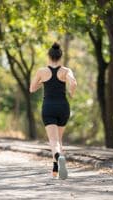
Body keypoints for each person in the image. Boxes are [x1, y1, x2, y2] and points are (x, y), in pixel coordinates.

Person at [29, 42, 77, 179]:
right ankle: (55, 168)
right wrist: (72, 93)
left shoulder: (41, 71)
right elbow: (73, 83)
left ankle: (58, 156)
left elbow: (31, 89)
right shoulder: (66, 71)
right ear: (60, 57)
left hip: (49, 107)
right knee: (59, 140)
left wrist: (43, 82)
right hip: (63, 107)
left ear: (49, 56)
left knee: (54, 141)